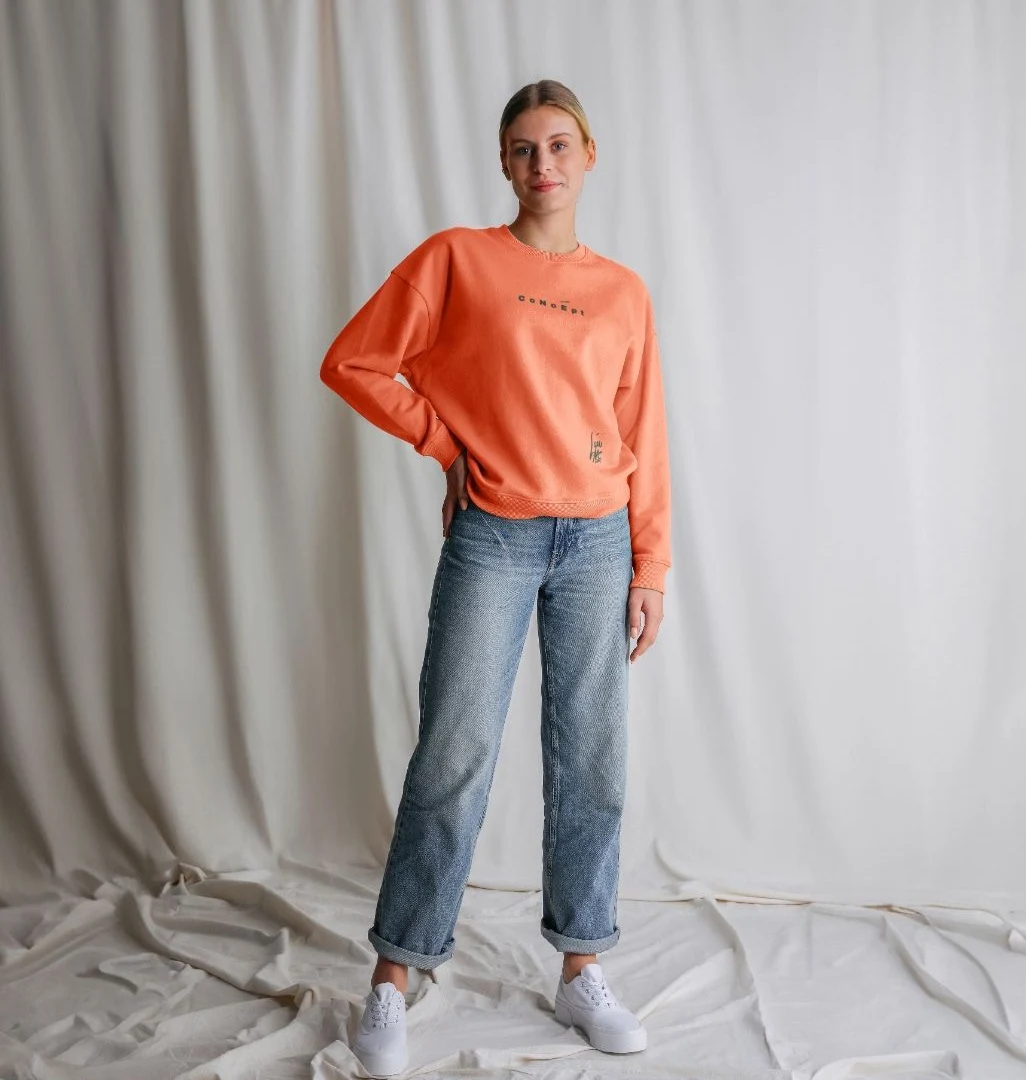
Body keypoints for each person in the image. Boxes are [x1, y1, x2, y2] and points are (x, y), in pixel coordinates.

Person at [320, 78, 672, 1078]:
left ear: (589, 156)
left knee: (592, 760)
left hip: (599, 540)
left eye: (559, 145)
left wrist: (651, 561)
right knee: (455, 753)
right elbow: (355, 362)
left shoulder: (623, 291)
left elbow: (642, 430)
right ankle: (395, 975)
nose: (542, 164)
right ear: (504, 164)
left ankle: (582, 966)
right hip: (495, 535)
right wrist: (446, 443)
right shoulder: (457, 260)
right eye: (523, 148)